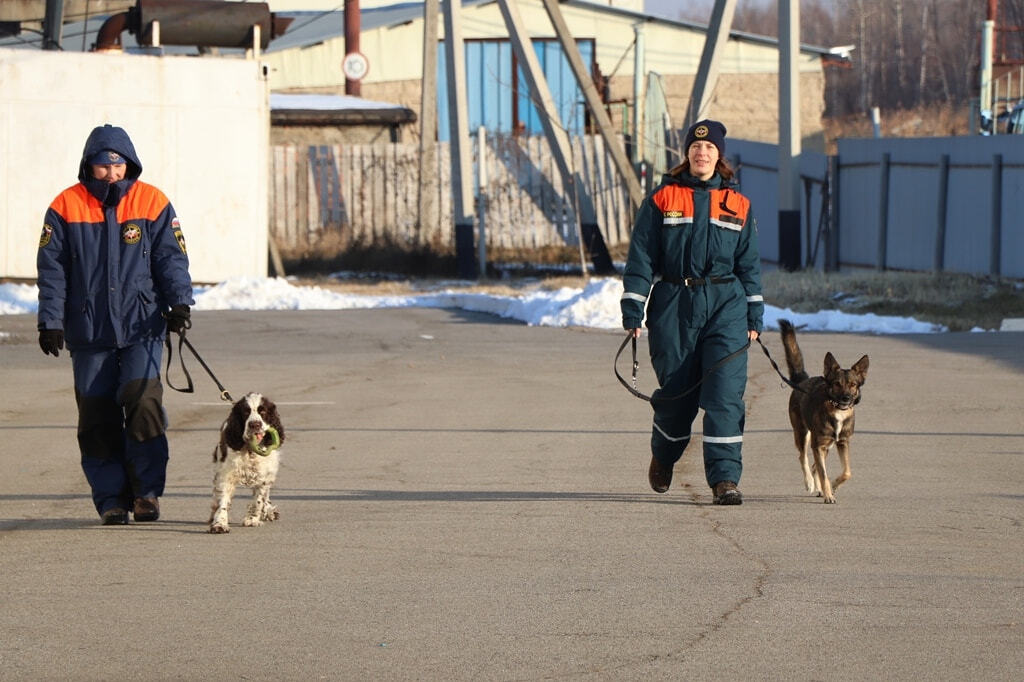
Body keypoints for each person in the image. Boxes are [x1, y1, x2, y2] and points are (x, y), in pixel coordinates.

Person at [36, 124, 194, 525]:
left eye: (118, 165)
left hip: (142, 325)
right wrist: (50, 320)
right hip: (89, 330)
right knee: (96, 414)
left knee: (143, 403)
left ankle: (146, 493)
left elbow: (171, 258)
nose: (111, 173)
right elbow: (51, 269)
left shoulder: (153, 202)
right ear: (89, 165)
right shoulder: (65, 205)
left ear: (129, 164)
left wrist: (179, 302)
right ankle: (110, 499)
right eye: (103, 166)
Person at [620, 119, 763, 505]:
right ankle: (664, 454)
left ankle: (725, 480)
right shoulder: (661, 199)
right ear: (687, 154)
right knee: (677, 397)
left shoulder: (739, 205)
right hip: (674, 308)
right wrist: (633, 308)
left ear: (720, 156)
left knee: (725, 396)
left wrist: (754, 313)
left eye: (710, 149)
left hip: (725, 308)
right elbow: (641, 258)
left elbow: (749, 265)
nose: (702, 154)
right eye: (696, 148)